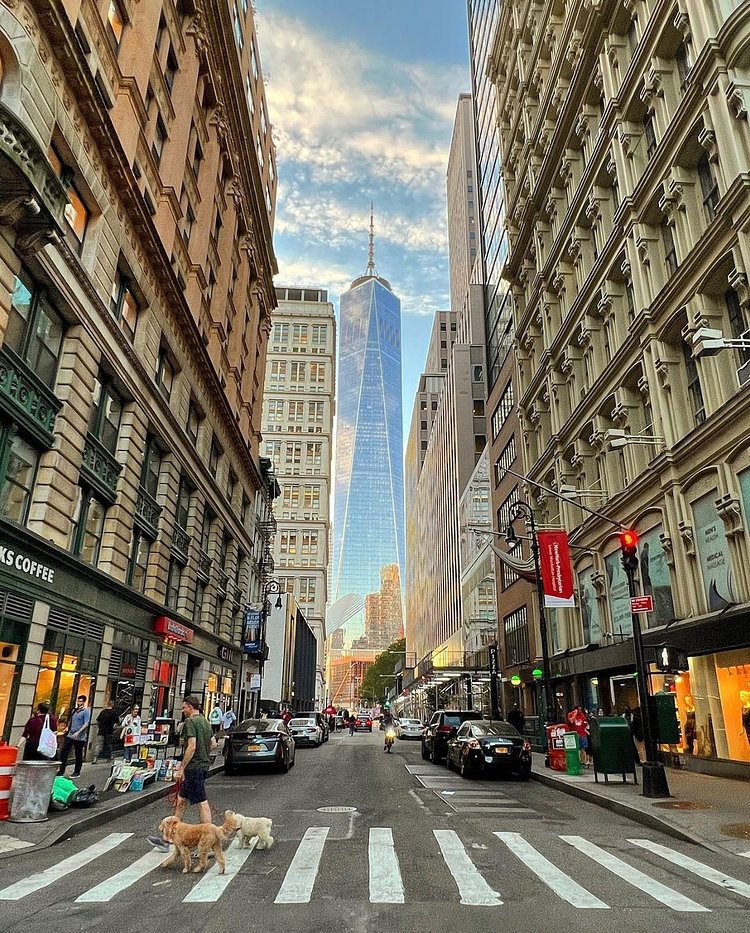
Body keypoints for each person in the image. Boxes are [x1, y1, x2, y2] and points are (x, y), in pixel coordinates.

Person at [148, 695, 216, 852]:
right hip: (202, 765)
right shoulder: (205, 721)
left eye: (184, 707)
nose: (182, 710)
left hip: (194, 767)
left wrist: (181, 768)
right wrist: (204, 753)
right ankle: (169, 838)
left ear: (191, 707)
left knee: (202, 802)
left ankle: (209, 843)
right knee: (181, 800)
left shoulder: (190, 722)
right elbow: (213, 743)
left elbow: (191, 746)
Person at [58, 694, 91, 778]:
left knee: (78, 754)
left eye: (80, 701)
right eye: (78, 701)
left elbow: (86, 723)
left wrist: (78, 732)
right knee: (64, 751)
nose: (78, 703)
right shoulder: (74, 710)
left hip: (79, 737)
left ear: (84, 702)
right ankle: (61, 770)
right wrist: (67, 728)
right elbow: (71, 720)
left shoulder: (86, 711)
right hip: (70, 734)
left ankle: (77, 772)